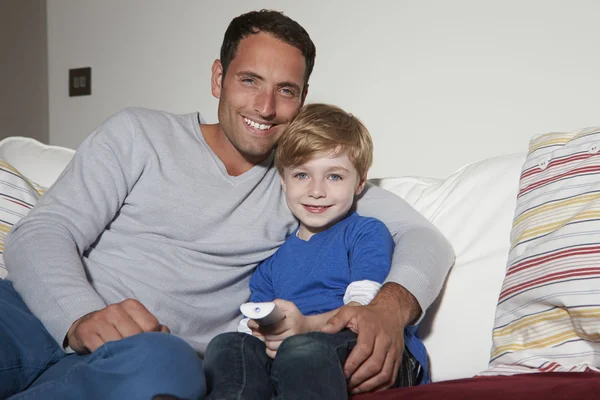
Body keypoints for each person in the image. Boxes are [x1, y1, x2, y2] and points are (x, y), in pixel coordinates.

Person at [1, 9, 454, 400]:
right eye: (250, 80)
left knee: (171, 368)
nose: (266, 105)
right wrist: (79, 315)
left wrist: (388, 309)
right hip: (32, 316)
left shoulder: (303, 180)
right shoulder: (138, 133)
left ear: (302, 100)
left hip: (143, 359)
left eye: (286, 90)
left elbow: (424, 239)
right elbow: (44, 229)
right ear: (219, 78)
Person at [204, 103, 428, 399]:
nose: (317, 190)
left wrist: (304, 326)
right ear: (283, 181)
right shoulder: (273, 259)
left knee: (303, 349)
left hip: (370, 351)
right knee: (228, 346)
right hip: (296, 357)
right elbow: (254, 319)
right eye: (302, 175)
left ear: (359, 182)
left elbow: (361, 310)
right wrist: (261, 331)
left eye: (334, 177)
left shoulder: (365, 232)